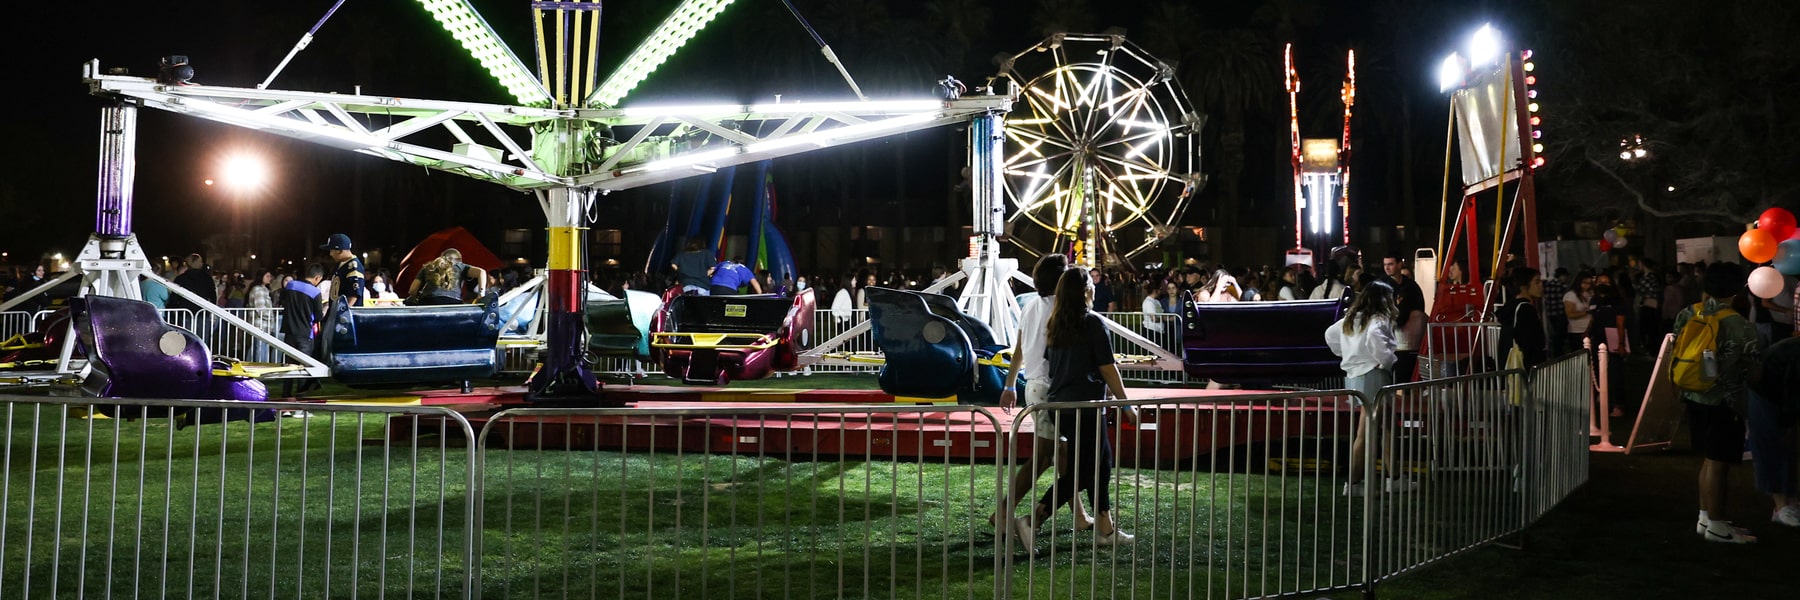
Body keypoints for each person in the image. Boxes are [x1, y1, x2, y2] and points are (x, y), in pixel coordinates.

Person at [1012, 267, 1137, 549]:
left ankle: (1105, 528)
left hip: (1062, 405)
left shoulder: (1056, 323)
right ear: (1084, 292)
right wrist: (1126, 403)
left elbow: (1051, 364)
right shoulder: (1091, 323)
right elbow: (1107, 368)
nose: (1093, 289)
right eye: (1089, 285)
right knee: (1086, 471)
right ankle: (1033, 519)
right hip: (1085, 405)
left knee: (1100, 465)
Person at [993, 254, 1092, 533]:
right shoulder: (1061, 309)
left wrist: (1010, 385)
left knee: (1061, 455)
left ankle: (1080, 516)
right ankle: (1003, 511)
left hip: (1034, 386)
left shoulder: (1031, 306)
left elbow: (1020, 348)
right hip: (1052, 387)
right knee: (1043, 458)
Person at [1673, 261, 1761, 543]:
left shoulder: (1687, 313)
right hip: (1725, 400)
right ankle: (1717, 525)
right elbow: (1753, 369)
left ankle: (1705, 517)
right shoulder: (1741, 325)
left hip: (1693, 394)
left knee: (1709, 459)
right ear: (1736, 290)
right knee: (1719, 463)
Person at [1325, 280, 1412, 496]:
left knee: (1384, 427)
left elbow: (1330, 335)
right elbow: (1375, 338)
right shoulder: (1378, 318)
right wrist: (1387, 360)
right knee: (1369, 431)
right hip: (1374, 374)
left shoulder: (1352, 318)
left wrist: (1348, 354)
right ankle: (1357, 483)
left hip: (1356, 374)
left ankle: (1393, 478)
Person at [1750, 335, 1800, 528]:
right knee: (1771, 446)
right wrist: (1788, 422)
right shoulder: (1794, 354)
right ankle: (1781, 507)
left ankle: (1791, 501)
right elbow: (1792, 391)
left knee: (1787, 449)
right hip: (1765, 390)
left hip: (1779, 387)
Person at [278, 263, 327, 396]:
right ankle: (300, 404)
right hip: (305, 334)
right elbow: (317, 316)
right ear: (317, 277)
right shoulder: (315, 292)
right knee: (303, 369)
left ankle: (285, 399)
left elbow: (282, 300)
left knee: (289, 368)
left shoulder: (291, 285)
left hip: (289, 333)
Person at [1383, 254, 1427, 382]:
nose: (1387, 268)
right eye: (1385, 265)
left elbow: (1419, 308)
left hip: (1409, 341)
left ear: (1399, 264)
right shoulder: (1381, 285)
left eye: (1390, 264)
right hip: (1389, 338)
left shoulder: (1411, 287)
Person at [1497, 268, 1548, 369]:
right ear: (1523, 287)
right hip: (1527, 367)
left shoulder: (1510, 307)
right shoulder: (1526, 310)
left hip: (1509, 365)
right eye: (1537, 282)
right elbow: (1530, 342)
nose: (1541, 285)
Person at [320, 234, 366, 307]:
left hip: (346, 316)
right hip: (336, 311)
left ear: (339, 251)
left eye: (332, 250)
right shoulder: (341, 264)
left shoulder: (353, 266)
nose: (330, 254)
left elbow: (354, 295)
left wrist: (342, 312)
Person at [1542, 268, 1570, 355]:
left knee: (1555, 334)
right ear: (1561, 276)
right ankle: (1559, 353)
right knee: (1560, 335)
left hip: (1550, 313)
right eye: (1565, 276)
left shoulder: (1548, 284)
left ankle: (1555, 352)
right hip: (1560, 313)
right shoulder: (1560, 286)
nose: (1566, 279)